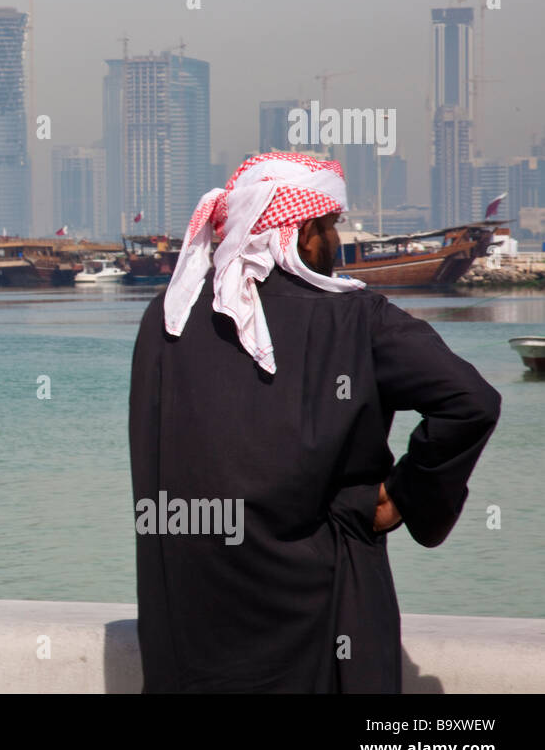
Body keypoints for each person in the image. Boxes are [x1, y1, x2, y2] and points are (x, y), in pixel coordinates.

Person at [128, 152, 500, 692]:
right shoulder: (354, 319)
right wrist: (404, 494)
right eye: (331, 226)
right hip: (322, 603)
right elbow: (471, 401)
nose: (336, 242)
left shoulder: (169, 316)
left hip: (191, 620)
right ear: (303, 231)